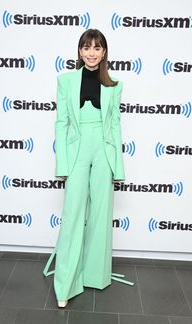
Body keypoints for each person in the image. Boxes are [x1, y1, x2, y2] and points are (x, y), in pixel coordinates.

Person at [43, 28, 133, 308]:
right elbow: (61, 123)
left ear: (104, 51)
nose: (91, 53)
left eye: (96, 48)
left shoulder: (114, 84)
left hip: (103, 151)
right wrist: (63, 163)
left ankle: (94, 276)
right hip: (77, 148)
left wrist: (118, 166)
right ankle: (66, 284)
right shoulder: (66, 80)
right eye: (86, 47)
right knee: (72, 215)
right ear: (79, 51)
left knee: (101, 215)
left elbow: (116, 125)